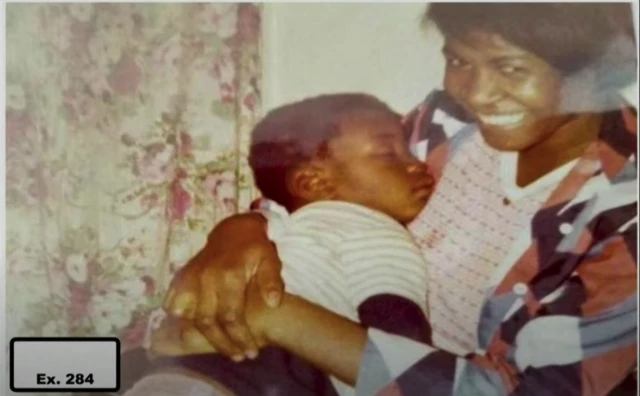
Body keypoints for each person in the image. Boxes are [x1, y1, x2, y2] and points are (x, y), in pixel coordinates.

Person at [156, 3, 638, 395]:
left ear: (597, 72)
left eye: (510, 67)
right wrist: (238, 233)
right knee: (100, 368)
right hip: (284, 359)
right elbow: (324, 193)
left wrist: (273, 315)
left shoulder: (625, 214)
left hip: (329, 365)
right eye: (458, 61)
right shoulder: (445, 123)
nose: (476, 92)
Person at [126, 94, 434, 396]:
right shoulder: (376, 231)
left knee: (96, 365)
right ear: (314, 183)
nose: (417, 165)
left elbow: (397, 362)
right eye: (389, 154)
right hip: (239, 371)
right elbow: (402, 356)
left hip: (213, 366)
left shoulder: (280, 228)